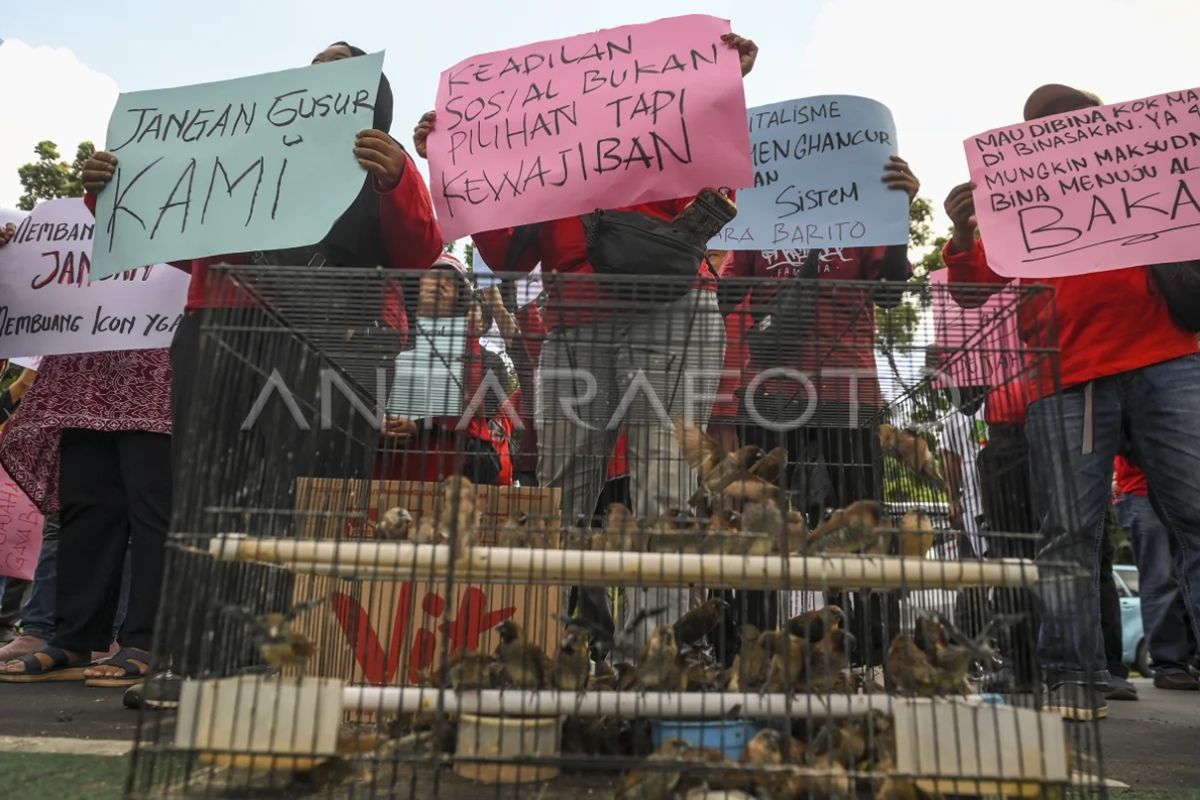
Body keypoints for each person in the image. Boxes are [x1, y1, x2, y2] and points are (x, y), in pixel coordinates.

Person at [78, 41, 443, 704]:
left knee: (308, 496)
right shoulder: (240, 143)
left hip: (340, 335)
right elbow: (167, 232)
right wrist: (109, 191)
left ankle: (290, 663)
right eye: (316, 69)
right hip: (223, 324)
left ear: (373, 103)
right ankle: (197, 662)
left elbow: (420, 252)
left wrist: (398, 178)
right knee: (207, 492)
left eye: (345, 70)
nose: (324, 75)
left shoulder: (378, 164)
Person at [413, 33, 759, 647]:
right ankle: (555, 649)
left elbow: (716, 185)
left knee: (665, 484)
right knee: (562, 488)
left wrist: (719, 90)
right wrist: (455, 163)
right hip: (573, 323)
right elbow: (505, 252)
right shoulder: (540, 153)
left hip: (671, 309)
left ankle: (645, 663)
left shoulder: (662, 126)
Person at [943, 84, 1200, 720]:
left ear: (1102, 124)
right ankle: (1072, 676)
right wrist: (962, 230)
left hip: (1168, 358)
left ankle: (1084, 673)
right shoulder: (1015, 197)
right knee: (1067, 533)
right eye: (1043, 125)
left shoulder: (1149, 160)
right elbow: (974, 292)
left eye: (1072, 119)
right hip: (1066, 377)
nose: (1060, 129)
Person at [715, 157, 921, 666]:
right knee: (762, 524)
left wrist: (897, 214)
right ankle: (757, 648)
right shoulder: (758, 212)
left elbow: (892, 290)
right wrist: (729, 215)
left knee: (861, 522)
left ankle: (872, 653)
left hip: (846, 394)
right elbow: (727, 293)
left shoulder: (863, 211)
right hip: (768, 396)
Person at [0, 349, 172, 686]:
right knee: (85, 504)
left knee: (153, 505)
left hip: (160, 361)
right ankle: (74, 637)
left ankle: (147, 639)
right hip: (86, 362)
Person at [378, 254, 514, 485]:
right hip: (390, 464)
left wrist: (419, 425)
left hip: (450, 465)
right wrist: (380, 421)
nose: (441, 283)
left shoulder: (479, 352)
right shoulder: (394, 339)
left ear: (460, 297)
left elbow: (478, 407)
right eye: (433, 276)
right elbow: (371, 390)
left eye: (450, 282)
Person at [1115, 455, 1199, 690]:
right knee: (1160, 577)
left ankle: (1188, 658)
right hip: (1142, 487)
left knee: (1188, 574)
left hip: (1184, 485)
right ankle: (1169, 664)